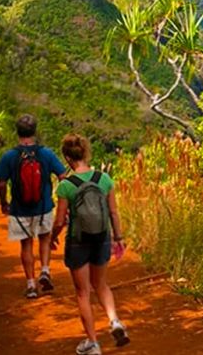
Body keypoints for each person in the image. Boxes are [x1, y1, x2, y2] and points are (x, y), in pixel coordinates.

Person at [51, 133, 130, 355]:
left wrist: (53, 236)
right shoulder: (104, 179)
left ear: (67, 157)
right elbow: (113, 212)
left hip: (78, 242)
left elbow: (60, 219)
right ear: (86, 152)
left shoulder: (66, 186)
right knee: (102, 285)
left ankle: (93, 343)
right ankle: (115, 321)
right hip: (102, 238)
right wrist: (118, 237)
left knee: (82, 292)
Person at [0, 114, 66, 299]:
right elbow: (63, 176)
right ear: (35, 131)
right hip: (44, 207)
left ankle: (31, 285)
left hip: (20, 209)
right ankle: (45, 270)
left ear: (17, 132)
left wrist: (4, 203)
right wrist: (61, 200)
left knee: (25, 245)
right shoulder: (46, 154)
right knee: (44, 239)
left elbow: (2, 183)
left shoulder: (10, 156)